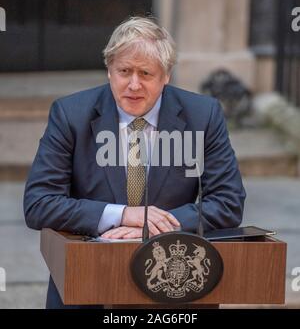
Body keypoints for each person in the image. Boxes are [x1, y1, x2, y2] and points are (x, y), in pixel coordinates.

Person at [23, 16, 246, 309]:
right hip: (87, 282)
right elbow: (38, 203)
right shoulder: (70, 115)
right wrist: (123, 214)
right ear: (109, 70)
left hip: (175, 287)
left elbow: (228, 202)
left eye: (146, 73)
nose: (133, 84)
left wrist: (157, 225)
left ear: (166, 75)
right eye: (124, 71)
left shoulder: (202, 116)